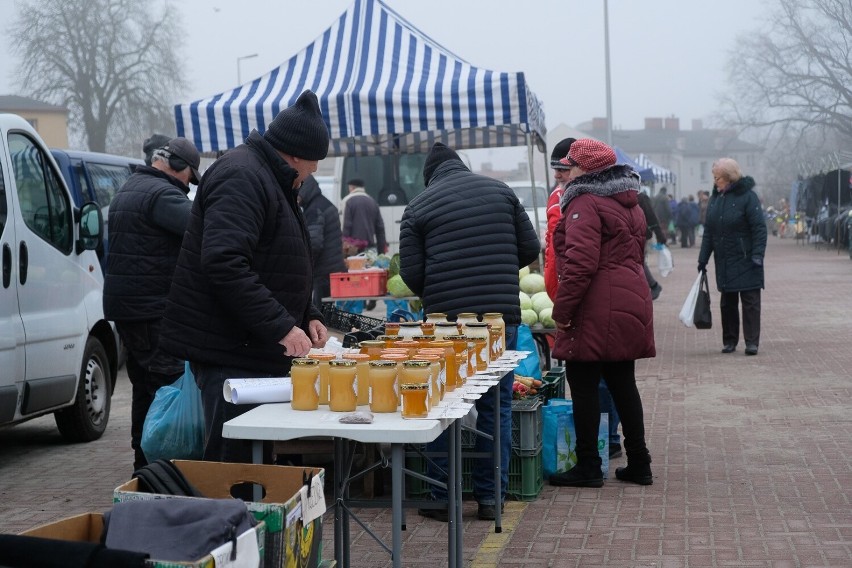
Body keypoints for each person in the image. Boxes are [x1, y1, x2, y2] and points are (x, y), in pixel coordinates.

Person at [161, 90, 331, 464]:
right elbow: (225, 263)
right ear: (297, 154)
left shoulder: (271, 177)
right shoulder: (242, 175)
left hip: (253, 349)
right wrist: (283, 327)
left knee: (261, 467)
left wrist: (309, 314)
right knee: (235, 467)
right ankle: (233, 524)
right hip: (231, 355)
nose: (310, 175)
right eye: (312, 165)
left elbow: (278, 261)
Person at [399, 141, 540, 521]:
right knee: (496, 406)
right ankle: (492, 498)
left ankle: (442, 498)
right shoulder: (501, 191)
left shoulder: (419, 206)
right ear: (461, 165)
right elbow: (530, 248)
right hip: (500, 319)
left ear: (430, 177)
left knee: (445, 403)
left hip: (447, 323)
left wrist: (442, 289)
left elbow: (411, 273)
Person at [548, 139, 655, 488]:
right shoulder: (630, 202)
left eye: (571, 165)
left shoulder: (584, 202)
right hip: (628, 297)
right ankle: (639, 461)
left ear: (586, 169)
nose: (566, 172)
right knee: (624, 382)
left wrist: (563, 311)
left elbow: (581, 264)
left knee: (582, 383)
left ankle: (589, 465)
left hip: (596, 305)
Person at [103, 136, 199, 471]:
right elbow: (202, 228)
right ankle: (165, 466)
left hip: (129, 310)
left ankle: (144, 466)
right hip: (153, 310)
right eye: (189, 176)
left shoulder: (131, 187)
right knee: (166, 388)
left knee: (144, 388)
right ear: (176, 167)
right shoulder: (162, 195)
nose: (188, 186)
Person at [697, 158, 767, 356]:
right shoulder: (716, 200)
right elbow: (709, 232)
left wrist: (757, 255)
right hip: (725, 260)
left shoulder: (748, 197)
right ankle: (729, 340)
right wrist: (703, 259)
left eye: (717, 177)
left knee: (750, 302)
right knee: (727, 303)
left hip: (747, 260)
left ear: (729, 178)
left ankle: (752, 342)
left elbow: (759, 229)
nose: (714, 181)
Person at [299, 174, 345, 309]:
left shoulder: (314, 209)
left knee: (321, 312)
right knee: (328, 310)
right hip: (333, 267)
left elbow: (314, 242)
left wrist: (305, 264)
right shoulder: (324, 203)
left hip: (323, 270)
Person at [544, 137, 575, 301]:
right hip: (561, 285)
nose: (556, 175)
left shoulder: (582, 200)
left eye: (562, 170)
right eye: (555, 169)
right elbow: (553, 241)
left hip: (569, 286)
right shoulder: (556, 195)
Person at [340, 178, 387, 254]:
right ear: (363, 188)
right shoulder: (372, 201)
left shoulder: (347, 201)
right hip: (370, 248)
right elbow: (380, 228)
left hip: (353, 249)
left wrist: (344, 249)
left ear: (352, 188)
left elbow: (346, 225)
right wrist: (381, 251)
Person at [637, 188, 666, 301]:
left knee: (639, 261)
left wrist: (659, 234)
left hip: (641, 235)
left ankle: (654, 286)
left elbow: (652, 217)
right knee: (638, 261)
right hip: (634, 234)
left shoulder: (641, 198)